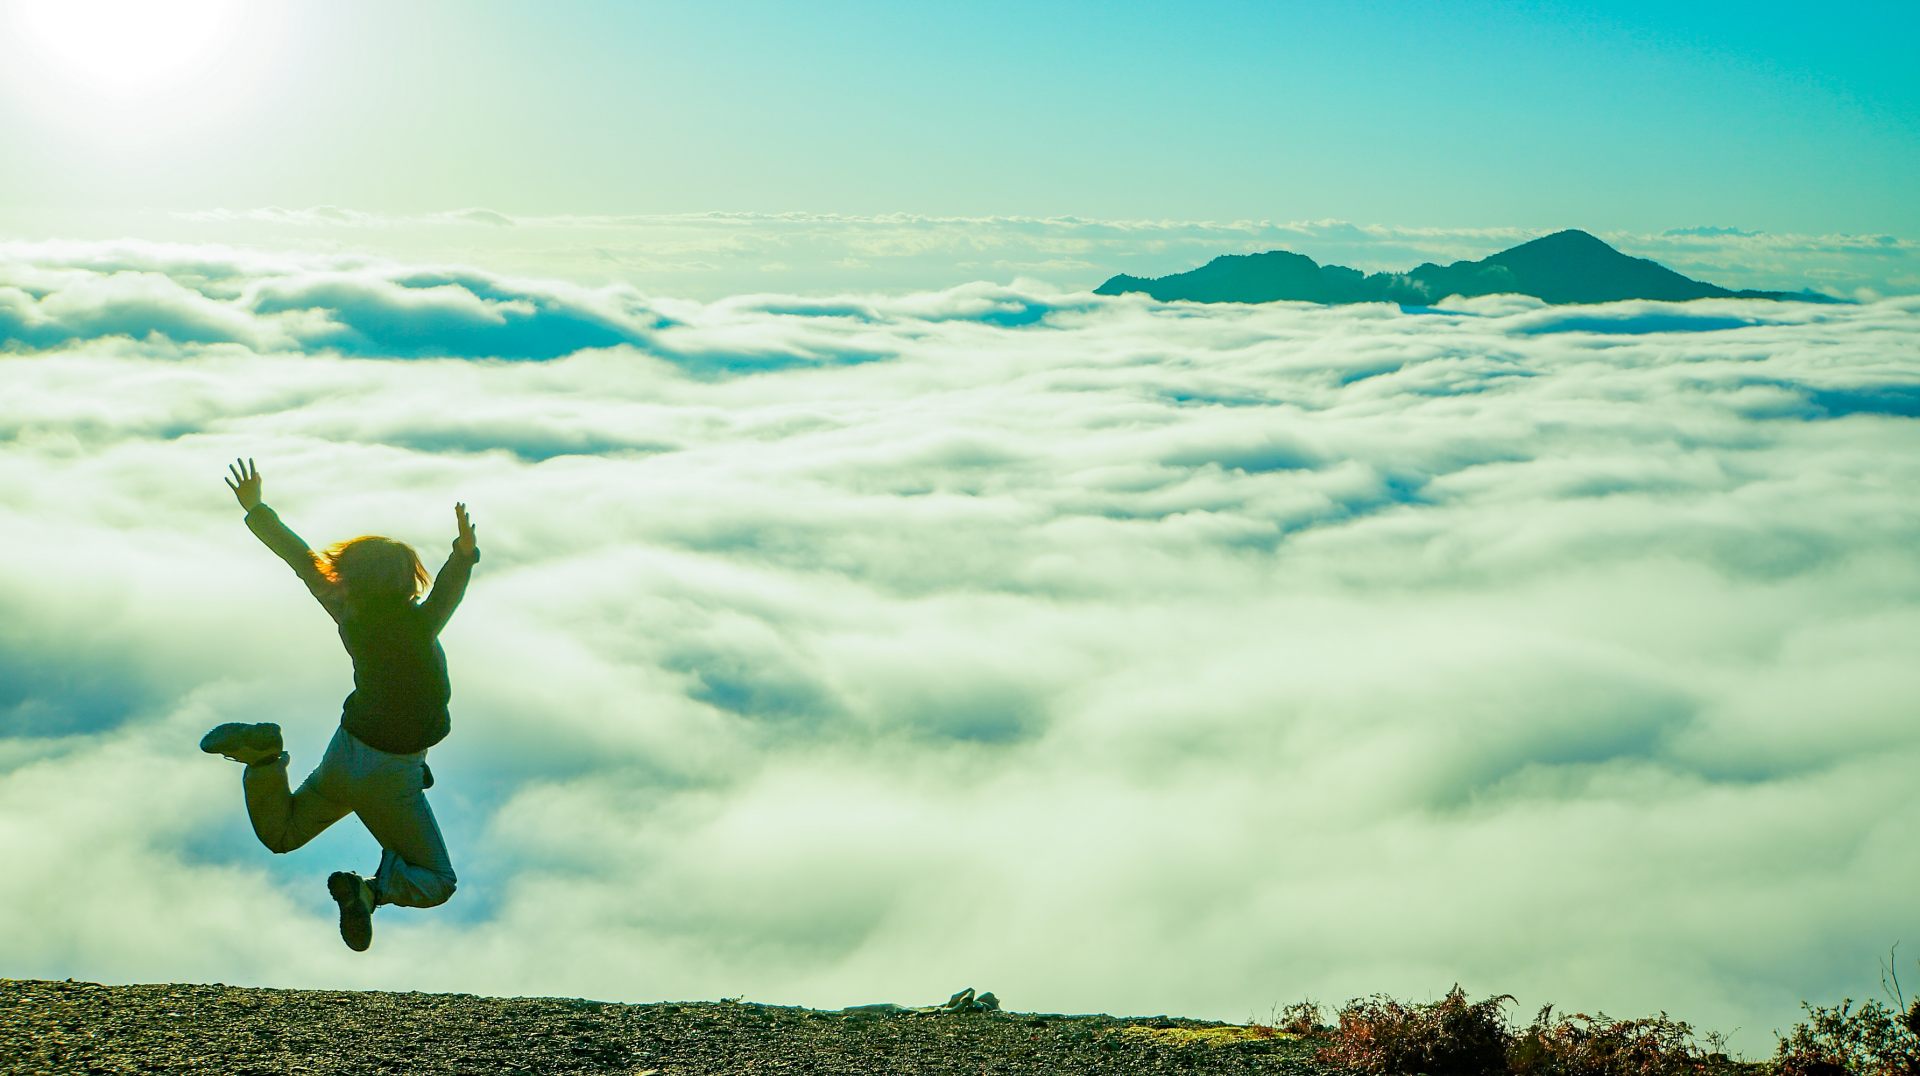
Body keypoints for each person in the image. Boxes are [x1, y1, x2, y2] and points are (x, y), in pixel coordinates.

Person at [200, 457, 479, 952]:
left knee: (282, 833)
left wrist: (258, 510)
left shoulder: (345, 609)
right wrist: (463, 553)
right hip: (390, 774)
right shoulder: (419, 624)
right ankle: (371, 890)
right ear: (406, 580)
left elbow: (301, 558)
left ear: (348, 575)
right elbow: (449, 594)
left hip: (346, 753)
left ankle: (265, 758)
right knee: (437, 881)